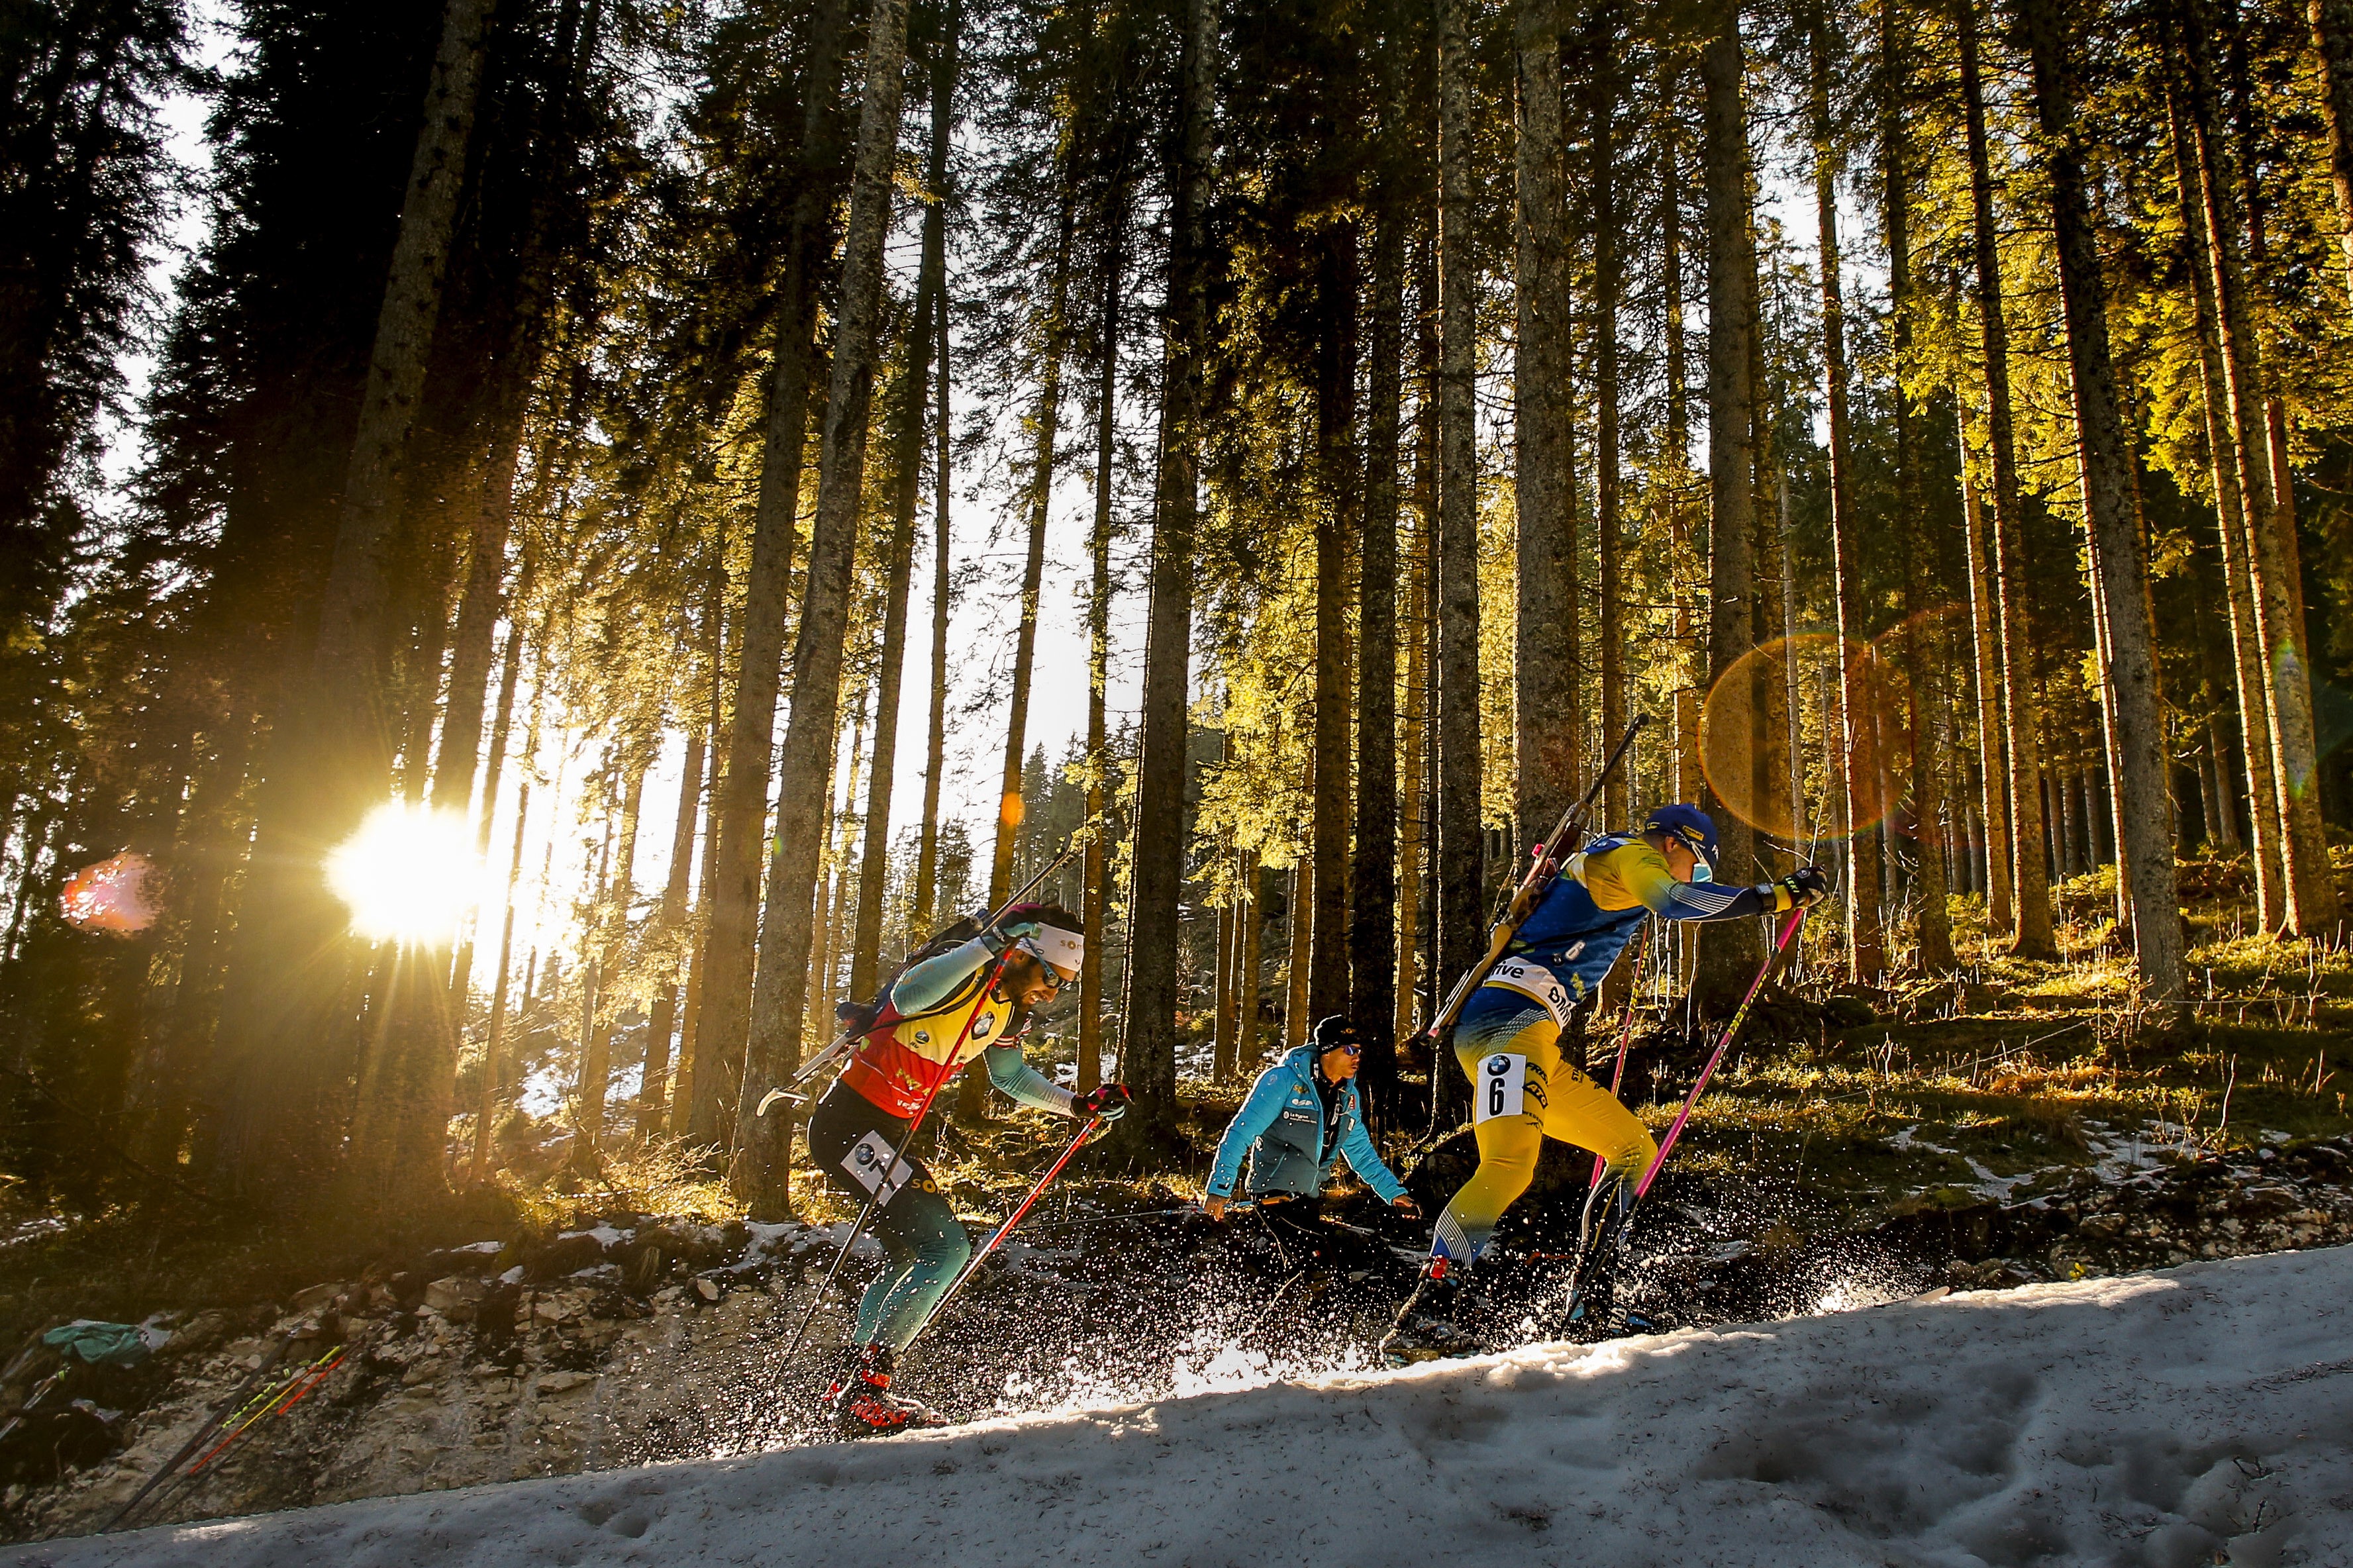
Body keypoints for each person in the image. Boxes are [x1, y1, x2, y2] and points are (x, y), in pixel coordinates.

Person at [1380, 805, 1828, 1365]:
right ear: (1674, 844)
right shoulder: (1632, 854)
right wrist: (1777, 895)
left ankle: (1588, 1307)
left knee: (1631, 1149)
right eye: (1698, 865)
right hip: (1508, 1028)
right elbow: (1673, 902)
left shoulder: (1606, 863)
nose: (1694, 877)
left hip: (1518, 1037)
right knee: (1507, 1165)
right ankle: (1427, 1311)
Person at [806, 902, 1132, 1436]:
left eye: (1065, 983)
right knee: (948, 1248)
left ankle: (850, 1385)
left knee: (911, 1253)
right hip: (849, 1126)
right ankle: (866, 1392)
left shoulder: (1008, 1012)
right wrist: (988, 942)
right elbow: (908, 995)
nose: (1053, 992)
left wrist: (1078, 1106)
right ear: (1023, 954)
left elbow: (1010, 1078)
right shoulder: (968, 976)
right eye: (1051, 976)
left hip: (885, 1133)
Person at [1204, 1015, 1419, 1265]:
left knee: (1310, 1273)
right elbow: (1239, 1134)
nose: (1356, 1056)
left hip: (1307, 1197)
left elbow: (1361, 1154)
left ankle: (1277, 1305)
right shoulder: (1283, 1081)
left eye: (1359, 1050)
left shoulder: (1348, 1097)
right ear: (1327, 1052)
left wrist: (1394, 1193)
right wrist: (1219, 1190)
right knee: (1319, 1266)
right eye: (1348, 1049)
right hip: (1274, 1195)